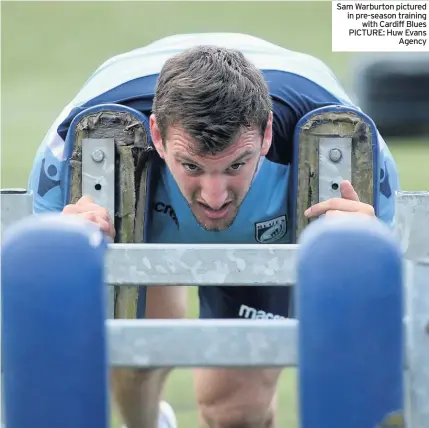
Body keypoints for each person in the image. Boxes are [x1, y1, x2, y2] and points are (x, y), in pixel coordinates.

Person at [28, 33, 400, 428]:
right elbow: (47, 311)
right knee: (132, 361)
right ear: (156, 135)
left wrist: (365, 249)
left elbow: (374, 312)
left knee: (235, 410)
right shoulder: (74, 147)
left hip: (262, 227)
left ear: (266, 132)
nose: (215, 196)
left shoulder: (350, 142)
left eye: (235, 165)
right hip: (141, 210)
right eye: (192, 166)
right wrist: (62, 248)